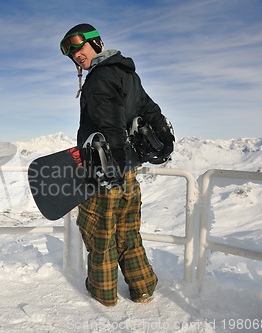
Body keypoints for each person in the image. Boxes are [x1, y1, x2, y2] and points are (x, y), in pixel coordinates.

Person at [59, 23, 175, 306]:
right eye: (70, 52)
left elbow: (109, 125)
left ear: (96, 43)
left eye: (79, 46)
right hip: (128, 173)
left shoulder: (98, 79)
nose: (76, 54)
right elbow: (151, 110)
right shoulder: (128, 74)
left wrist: (111, 170)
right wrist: (166, 139)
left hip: (104, 173)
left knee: (99, 234)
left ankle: (104, 294)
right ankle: (143, 288)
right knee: (127, 232)